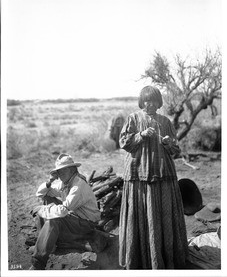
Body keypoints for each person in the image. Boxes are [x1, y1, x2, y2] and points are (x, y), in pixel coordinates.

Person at [118, 85, 188, 269]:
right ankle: (139, 259)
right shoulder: (133, 118)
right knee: (139, 213)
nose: (150, 104)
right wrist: (140, 135)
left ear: (159, 102)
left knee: (162, 213)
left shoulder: (165, 121)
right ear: (142, 101)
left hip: (162, 174)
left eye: (154, 101)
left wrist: (168, 142)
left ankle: (164, 257)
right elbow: (124, 142)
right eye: (146, 100)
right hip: (138, 174)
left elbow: (175, 149)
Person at [29, 153, 102, 270]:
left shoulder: (78, 185)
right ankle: (45, 243)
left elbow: (63, 211)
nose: (59, 174)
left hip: (86, 224)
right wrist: (49, 181)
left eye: (62, 171)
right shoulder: (66, 183)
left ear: (72, 169)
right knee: (48, 198)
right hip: (75, 219)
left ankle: (38, 263)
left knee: (53, 220)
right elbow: (41, 194)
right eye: (58, 171)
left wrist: (41, 210)